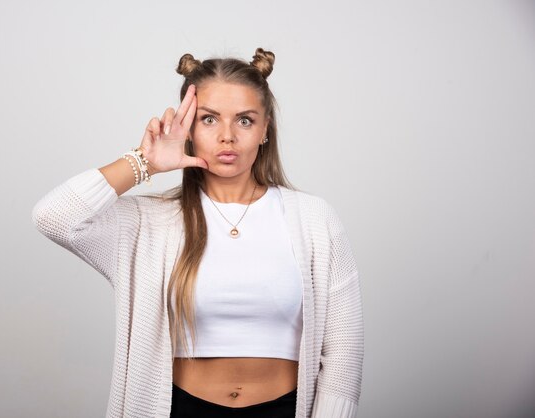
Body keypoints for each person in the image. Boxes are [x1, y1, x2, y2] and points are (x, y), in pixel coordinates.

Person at [32, 47, 364, 418]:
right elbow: (54, 216)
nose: (226, 136)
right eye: (208, 120)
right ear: (188, 129)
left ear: (265, 129)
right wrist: (145, 162)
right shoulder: (151, 223)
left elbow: (343, 351)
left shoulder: (314, 219)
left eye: (244, 120)